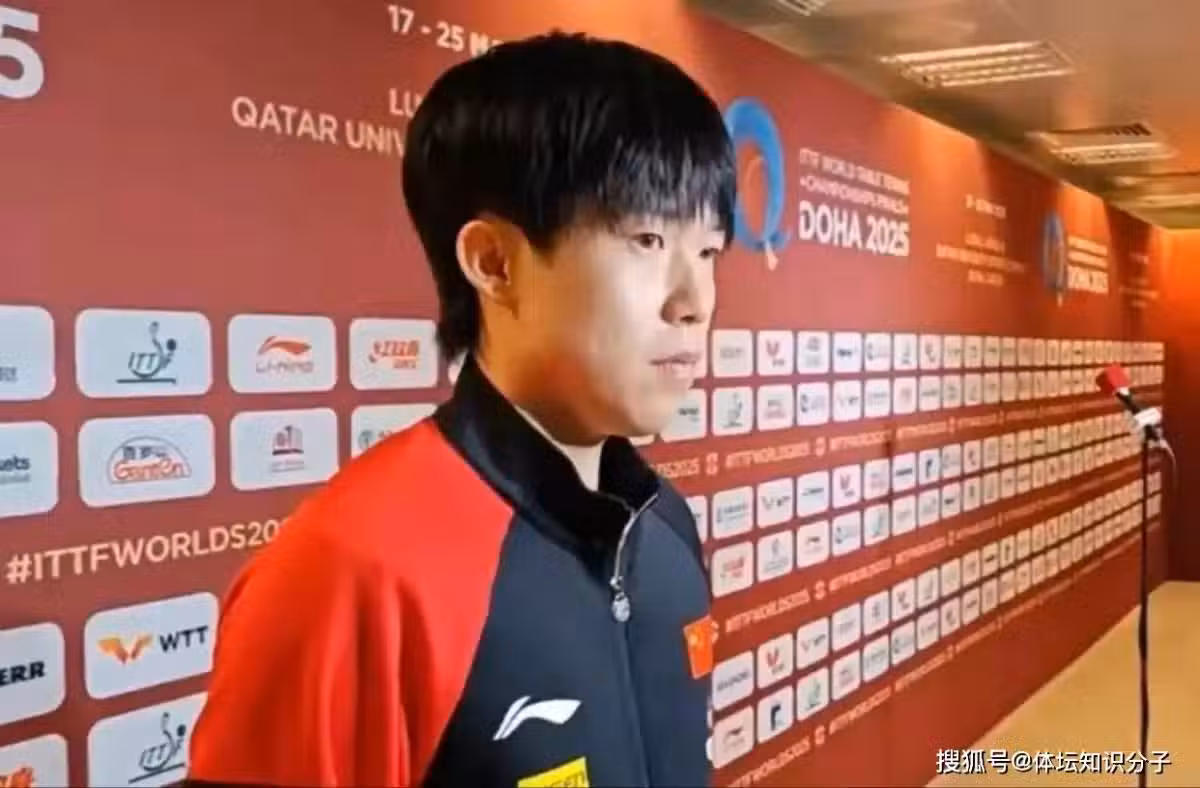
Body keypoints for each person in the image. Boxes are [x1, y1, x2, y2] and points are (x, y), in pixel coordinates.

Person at [186, 30, 735, 788]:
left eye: (708, 252)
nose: (694, 301)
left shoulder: (665, 525)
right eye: (646, 239)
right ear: (494, 263)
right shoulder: (349, 574)